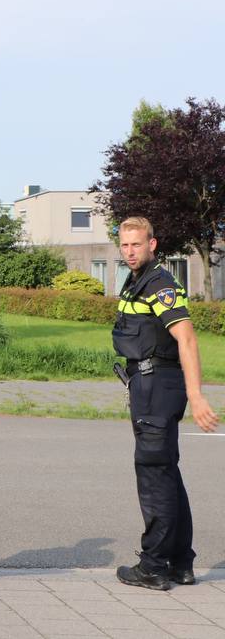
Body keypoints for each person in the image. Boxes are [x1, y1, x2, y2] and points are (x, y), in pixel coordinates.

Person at [112, 217, 218, 591]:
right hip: (148, 384)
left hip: (157, 386)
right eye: (125, 245)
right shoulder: (137, 280)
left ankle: (154, 566)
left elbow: (187, 339)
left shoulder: (160, 284)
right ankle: (180, 562)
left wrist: (197, 395)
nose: (130, 252)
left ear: (152, 244)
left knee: (154, 473)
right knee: (166, 472)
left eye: (136, 244)